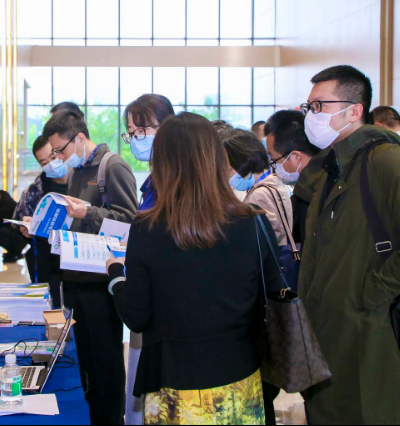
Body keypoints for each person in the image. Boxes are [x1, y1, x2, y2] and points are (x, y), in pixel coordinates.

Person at [105, 112, 285, 425]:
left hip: (173, 384)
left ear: (163, 163)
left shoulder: (147, 229)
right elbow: (273, 293)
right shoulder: (254, 222)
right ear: (217, 159)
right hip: (240, 376)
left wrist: (116, 277)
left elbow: (137, 315)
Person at [299, 65, 400, 425]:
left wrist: (369, 292)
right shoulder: (331, 167)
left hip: (372, 331)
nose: (311, 116)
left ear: (354, 111)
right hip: (329, 329)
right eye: (308, 107)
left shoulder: (388, 163)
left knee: (373, 411)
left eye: (319, 106)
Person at [43, 110, 138, 426]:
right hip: (76, 279)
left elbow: (129, 223)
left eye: (61, 150)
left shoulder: (113, 167)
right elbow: (77, 222)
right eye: (55, 152)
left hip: (101, 284)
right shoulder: (76, 171)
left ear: (80, 138)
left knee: (106, 362)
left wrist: (90, 213)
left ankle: (111, 418)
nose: (59, 157)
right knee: (87, 362)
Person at [220, 127, 290, 425]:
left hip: (265, 291)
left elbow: (262, 246)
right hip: (279, 282)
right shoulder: (274, 184)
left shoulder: (260, 194)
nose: (226, 173)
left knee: (262, 391)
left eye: (228, 165)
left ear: (242, 161)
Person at [121, 94, 175, 426]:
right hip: (147, 300)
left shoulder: (176, 181)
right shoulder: (153, 180)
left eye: (142, 130)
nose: (136, 139)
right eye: (131, 133)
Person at [13, 136, 68, 305]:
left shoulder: (85, 184)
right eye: (44, 162)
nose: (51, 164)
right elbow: (18, 225)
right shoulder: (34, 193)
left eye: (53, 156)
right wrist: (26, 230)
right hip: (49, 266)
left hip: (81, 269)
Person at [264, 110, 323, 243]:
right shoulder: (309, 185)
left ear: (297, 157)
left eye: (275, 159)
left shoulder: (313, 193)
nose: (274, 166)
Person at [0, 184, 28, 263]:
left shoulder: (5, 206)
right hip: (14, 232)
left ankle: (15, 252)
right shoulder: (0, 200)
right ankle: (14, 252)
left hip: (19, 236)